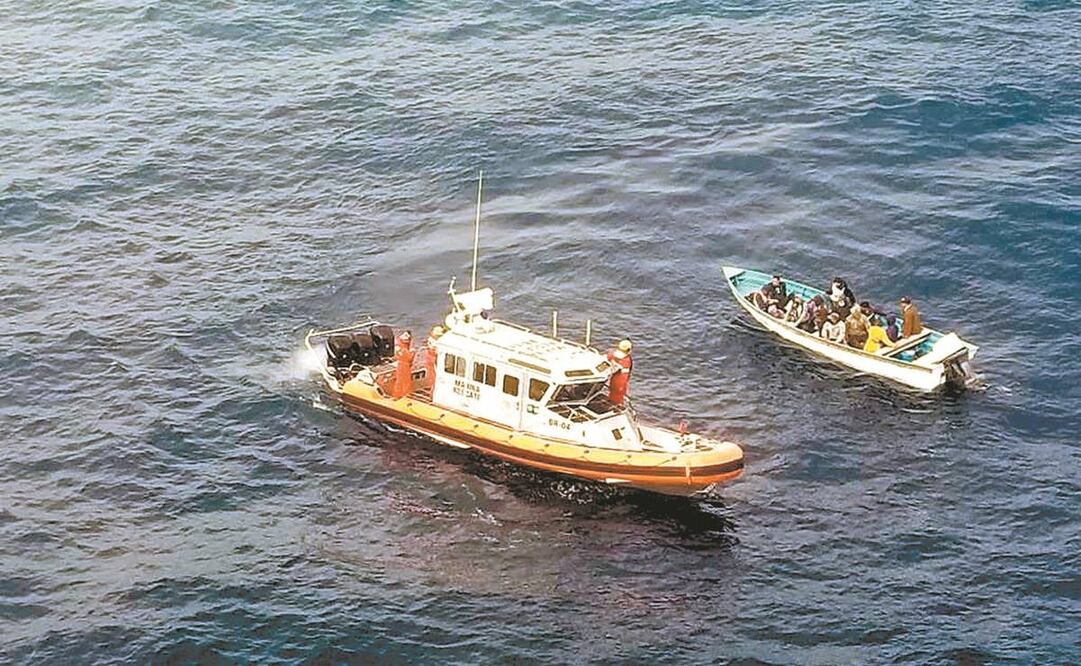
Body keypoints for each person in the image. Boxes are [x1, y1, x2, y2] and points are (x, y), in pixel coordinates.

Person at [607, 339, 633, 406]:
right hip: (620, 378)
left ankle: (610, 401)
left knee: (612, 390)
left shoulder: (612, 354)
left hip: (614, 376)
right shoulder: (626, 360)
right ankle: (616, 405)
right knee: (618, 393)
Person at [391, 330, 415, 398]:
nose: (406, 337)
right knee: (401, 381)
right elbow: (408, 356)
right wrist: (412, 351)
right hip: (402, 364)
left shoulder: (406, 344)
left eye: (408, 336)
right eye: (405, 335)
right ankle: (398, 395)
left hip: (406, 365)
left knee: (405, 381)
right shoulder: (398, 345)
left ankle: (404, 394)